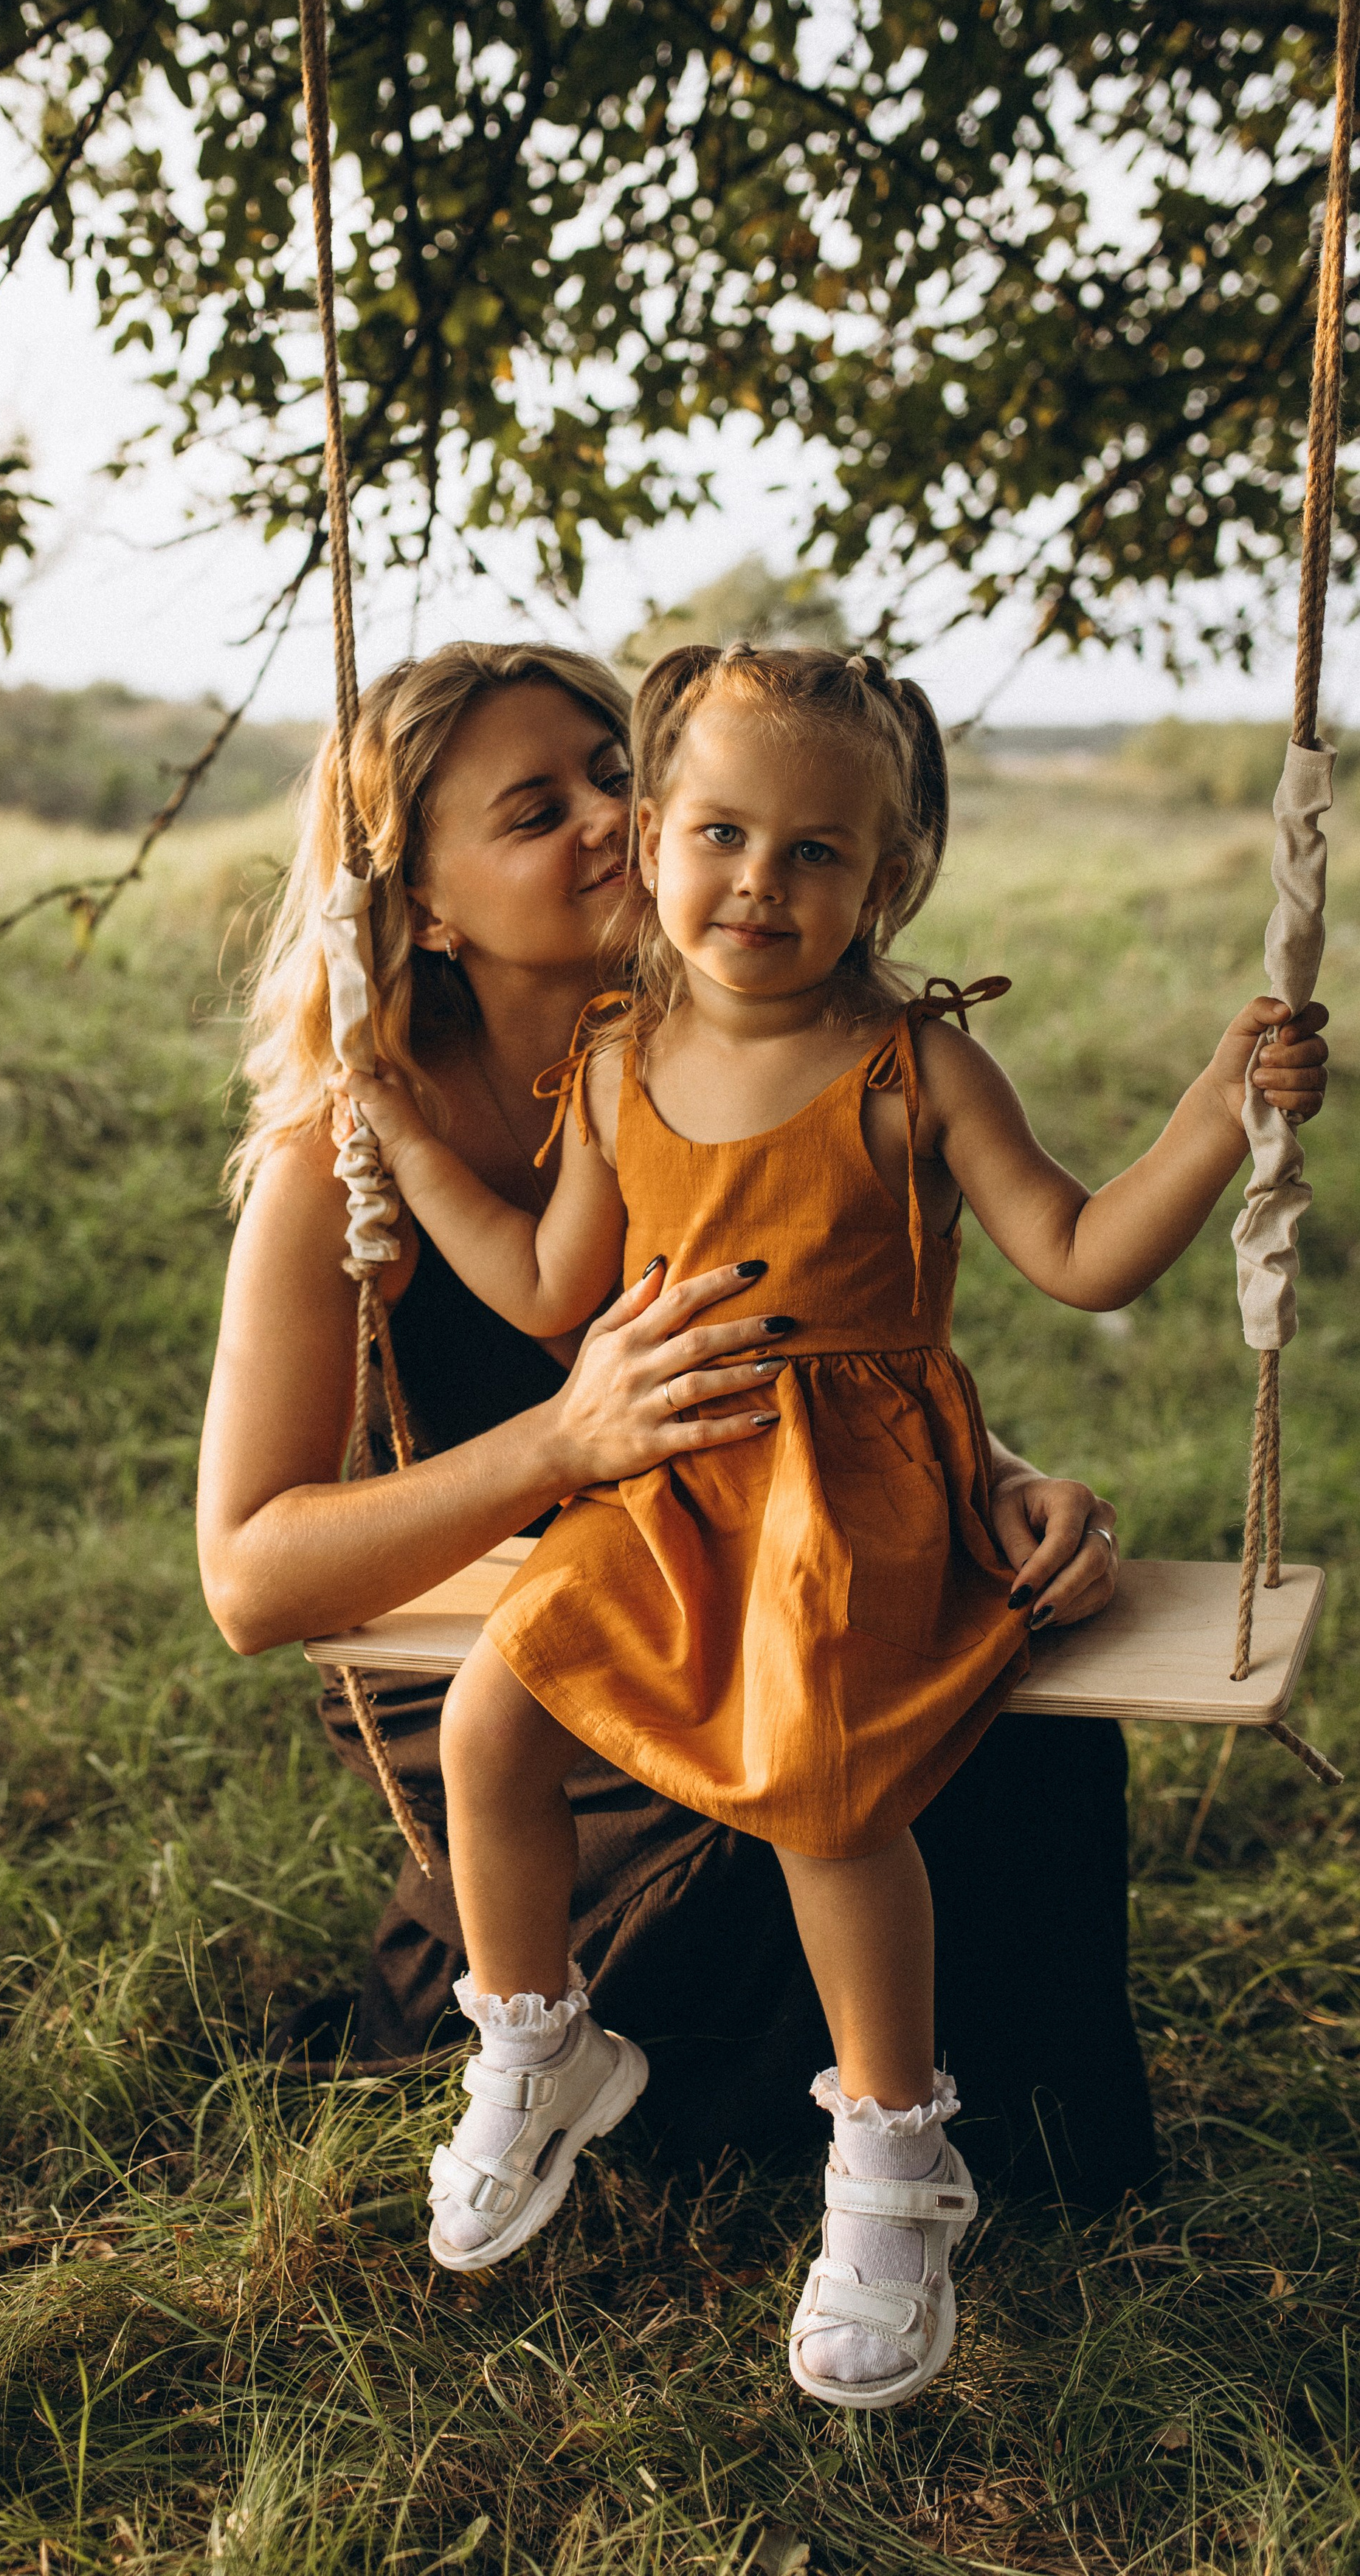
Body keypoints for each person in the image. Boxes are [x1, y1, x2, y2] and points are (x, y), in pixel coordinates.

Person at [341, 641, 1329, 2411]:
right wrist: (407, 1151)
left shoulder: (910, 1069)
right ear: (653, 842)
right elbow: (550, 1284)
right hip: (658, 1489)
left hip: (846, 1505)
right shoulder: (615, 1052)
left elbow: (1082, 1258)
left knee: (820, 1790)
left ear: (886, 878)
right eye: (719, 834)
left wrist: (1214, 1113)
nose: (758, 883)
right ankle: (534, 2042)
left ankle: (888, 2156)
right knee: (494, 1711)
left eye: (816, 854)